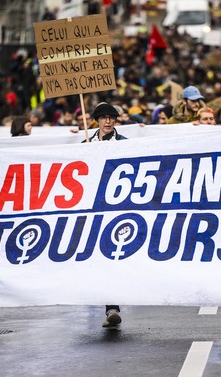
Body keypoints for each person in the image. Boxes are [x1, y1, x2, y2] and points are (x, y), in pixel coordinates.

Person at [84, 102, 125, 327]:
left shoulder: (126, 144)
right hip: (97, 212)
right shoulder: (86, 145)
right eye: (103, 118)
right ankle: (112, 308)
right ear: (97, 121)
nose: (108, 121)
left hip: (120, 209)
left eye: (111, 117)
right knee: (105, 259)